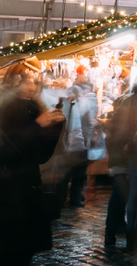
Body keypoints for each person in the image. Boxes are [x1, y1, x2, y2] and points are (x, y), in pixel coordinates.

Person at [0, 76, 65, 266]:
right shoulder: (4, 113)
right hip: (6, 197)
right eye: (25, 81)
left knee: (23, 254)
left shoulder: (34, 110)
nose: (30, 86)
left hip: (27, 195)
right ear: (13, 83)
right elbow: (5, 152)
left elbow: (40, 157)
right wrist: (37, 126)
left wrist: (55, 127)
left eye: (34, 82)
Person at [104, 78, 137, 251]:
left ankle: (114, 235)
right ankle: (129, 235)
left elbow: (111, 132)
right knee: (131, 197)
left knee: (121, 197)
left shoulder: (123, 104)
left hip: (120, 157)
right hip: (132, 157)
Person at [54, 66, 97, 210]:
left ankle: (65, 200)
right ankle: (72, 199)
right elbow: (87, 123)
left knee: (68, 174)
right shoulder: (77, 103)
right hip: (76, 142)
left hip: (74, 142)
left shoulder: (72, 102)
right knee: (75, 174)